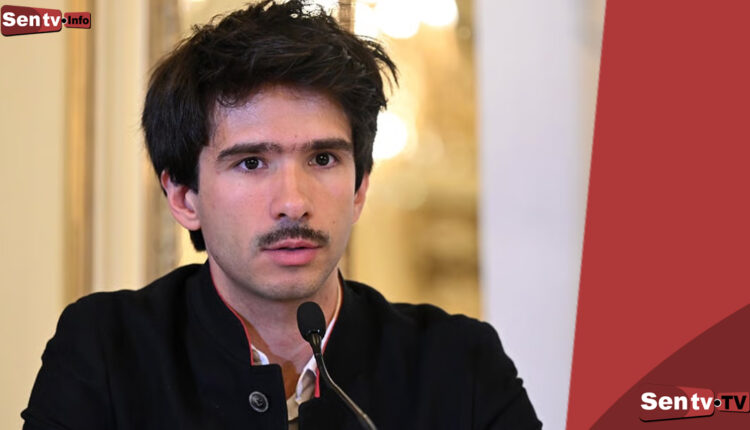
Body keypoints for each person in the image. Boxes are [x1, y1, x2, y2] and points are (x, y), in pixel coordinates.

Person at [22, 1, 541, 428]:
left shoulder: (459, 363)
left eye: (323, 159)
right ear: (183, 197)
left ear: (359, 188)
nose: (294, 202)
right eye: (251, 162)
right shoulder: (105, 351)